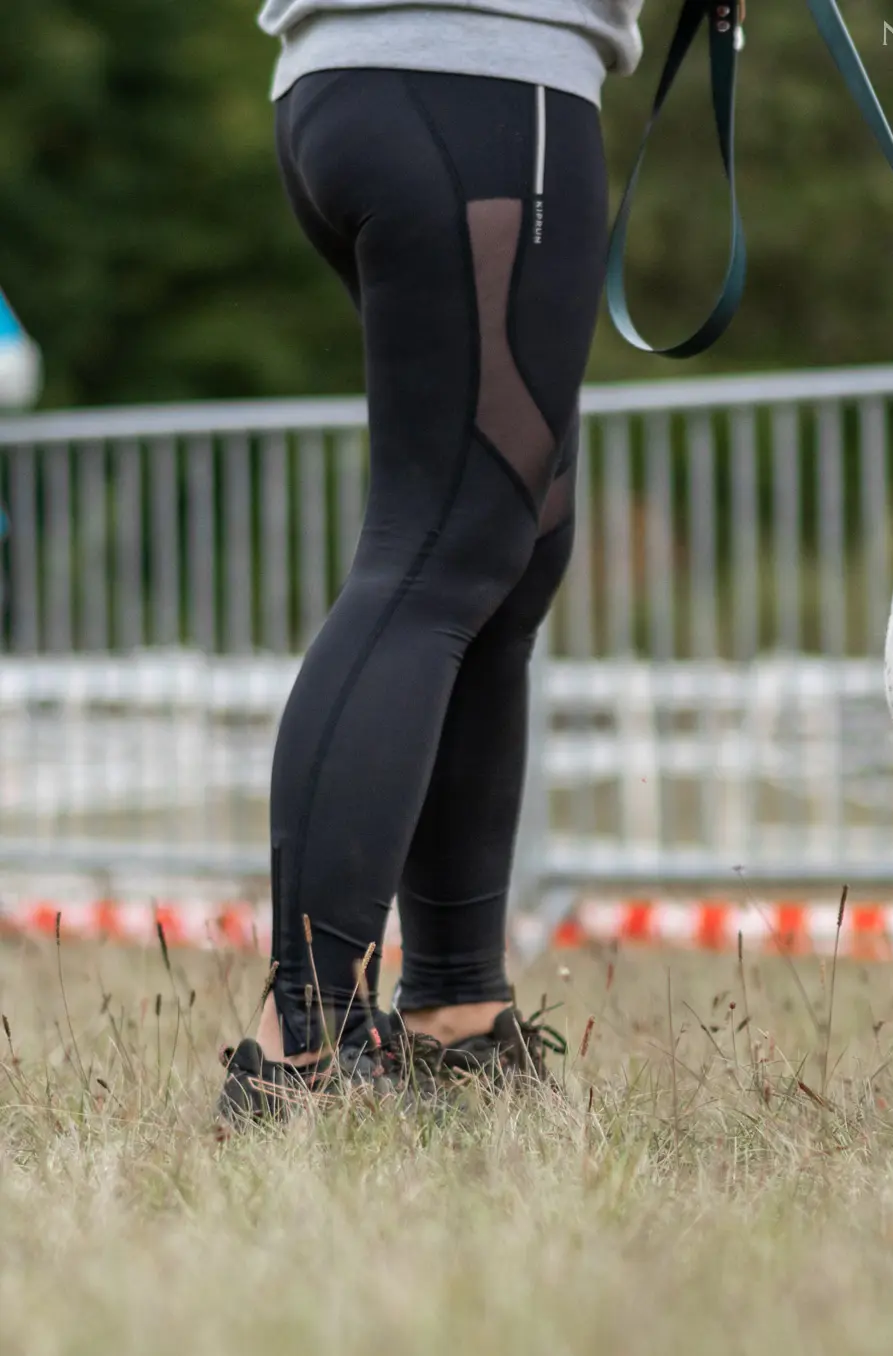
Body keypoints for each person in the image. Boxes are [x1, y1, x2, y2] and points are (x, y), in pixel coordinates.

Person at [219, 0, 656, 1122]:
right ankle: (303, 1046)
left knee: (511, 549)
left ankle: (456, 1019)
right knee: (438, 556)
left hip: (357, 87)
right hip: (485, 81)